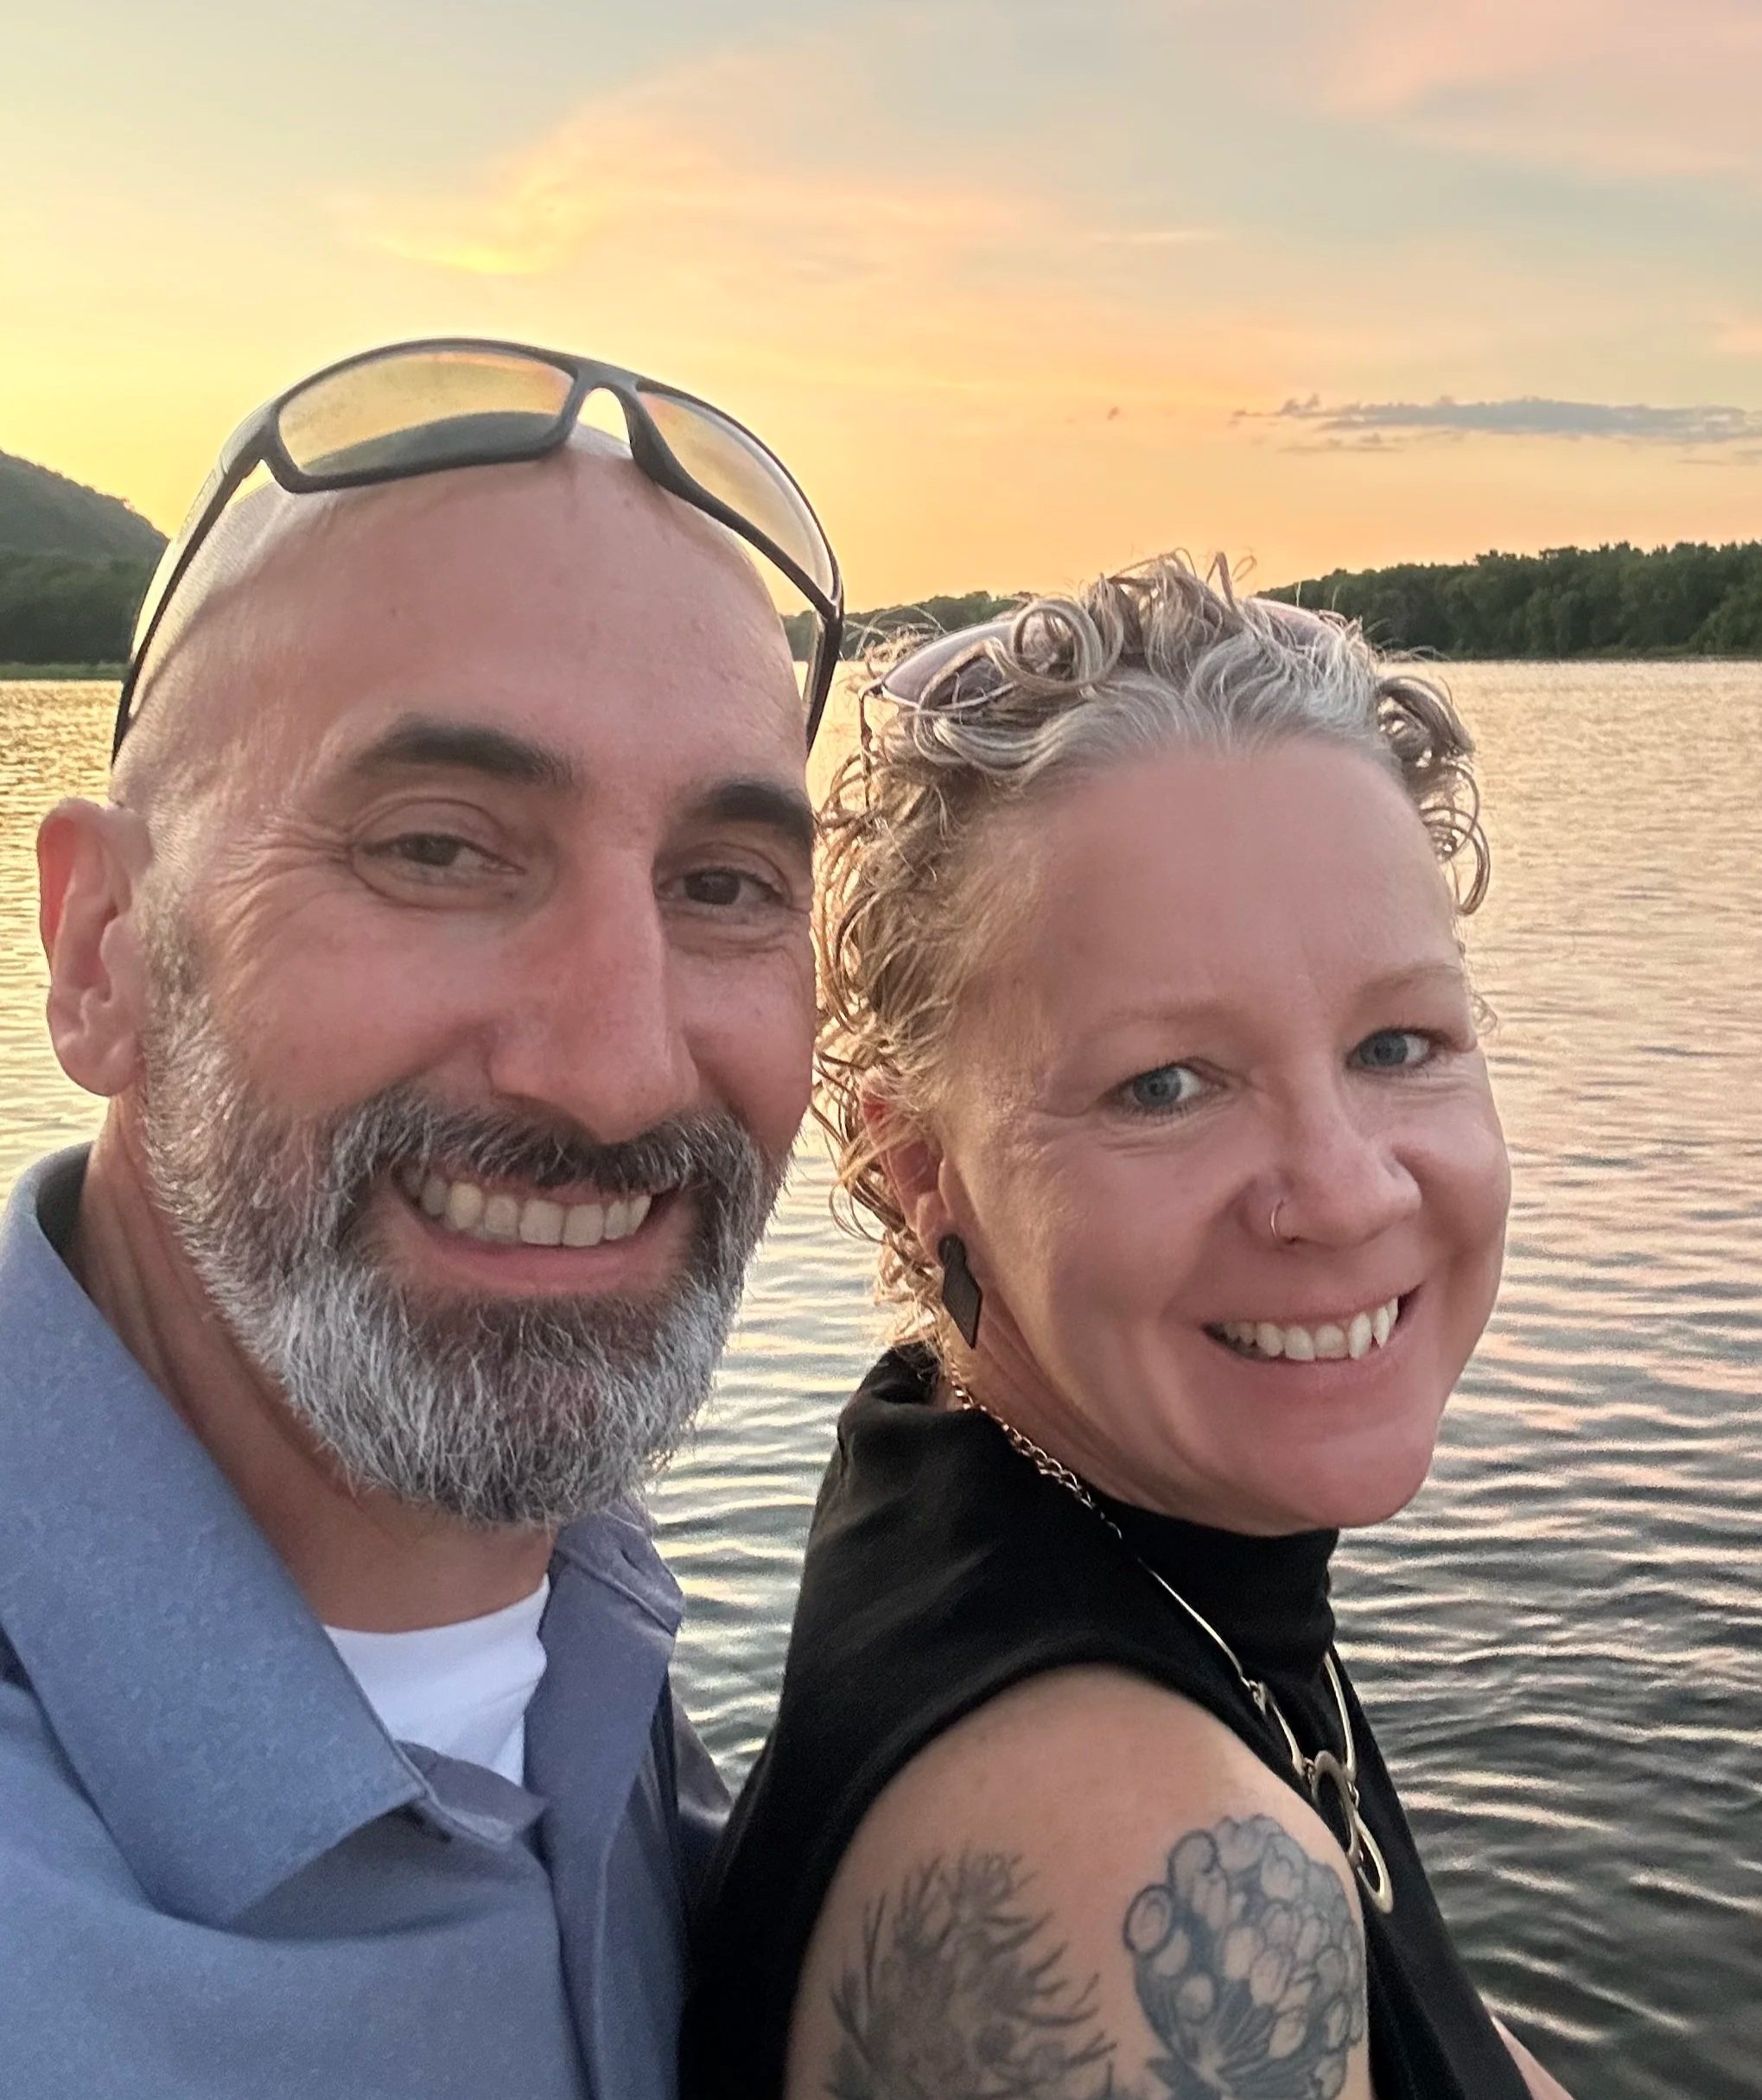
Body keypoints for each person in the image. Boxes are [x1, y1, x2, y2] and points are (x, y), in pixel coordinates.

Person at [0, 338, 842, 2100]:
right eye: (439, 850)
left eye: (723, 885)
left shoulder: (596, 1649)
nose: (617, 1070)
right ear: (104, 958)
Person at [688, 557, 1574, 2098]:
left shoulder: (1031, 1488)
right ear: (922, 1173)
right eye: (1165, 1082)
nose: (1347, 1192)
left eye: (1396, 1041)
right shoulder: (1128, 1862)